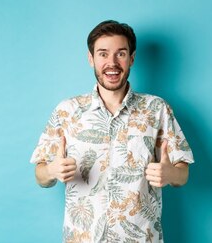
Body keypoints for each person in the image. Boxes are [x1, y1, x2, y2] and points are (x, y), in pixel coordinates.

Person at [30, 20, 194, 243]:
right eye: (103, 54)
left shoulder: (157, 109)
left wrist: (171, 174)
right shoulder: (66, 111)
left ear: (132, 58)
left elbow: (182, 173)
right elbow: (40, 176)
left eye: (121, 54)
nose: (112, 63)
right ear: (91, 59)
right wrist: (50, 171)